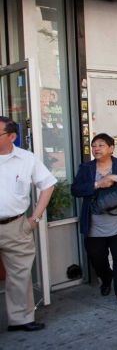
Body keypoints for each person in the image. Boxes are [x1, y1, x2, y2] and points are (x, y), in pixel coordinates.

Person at [71, 133, 117, 306]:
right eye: (94, 145)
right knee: (97, 258)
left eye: (101, 145)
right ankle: (106, 277)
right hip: (95, 224)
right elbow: (75, 190)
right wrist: (97, 184)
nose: (96, 148)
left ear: (111, 148)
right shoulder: (86, 168)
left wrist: (113, 177)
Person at [0, 116, 56, 332]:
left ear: (11, 136)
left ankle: (21, 319)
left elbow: (48, 184)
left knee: (20, 275)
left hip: (16, 225)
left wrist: (35, 218)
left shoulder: (26, 158)